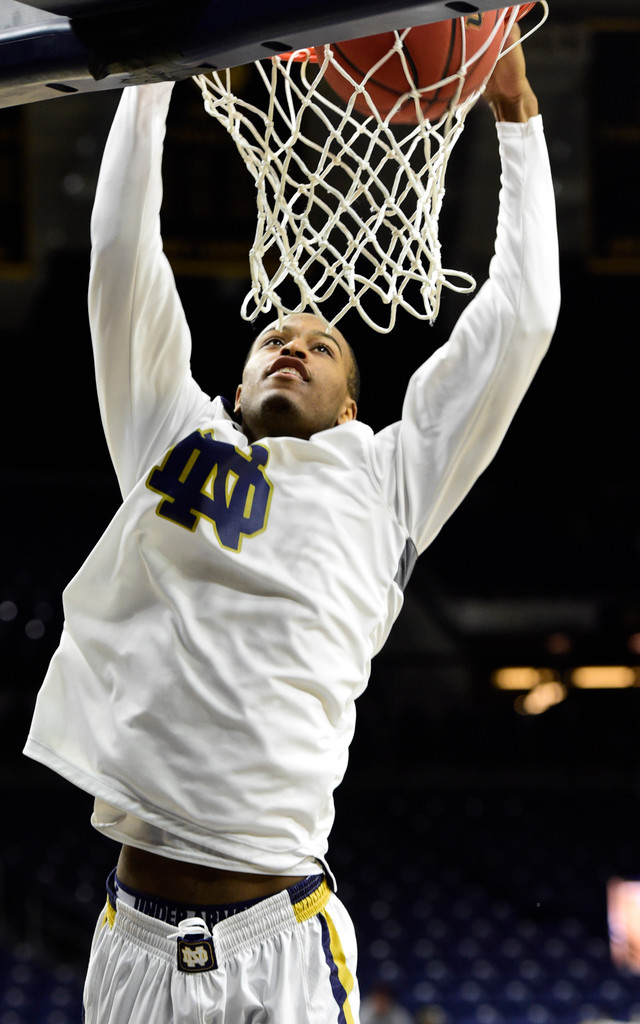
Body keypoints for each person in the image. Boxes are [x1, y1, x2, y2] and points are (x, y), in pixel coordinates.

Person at [23, 25, 559, 1024]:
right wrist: (149, 84)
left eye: (320, 345)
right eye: (276, 334)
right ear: (232, 381)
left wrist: (516, 117)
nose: (292, 343)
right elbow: (118, 255)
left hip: (281, 941)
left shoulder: (389, 478)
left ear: (354, 407)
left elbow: (519, 320)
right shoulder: (170, 438)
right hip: (132, 941)